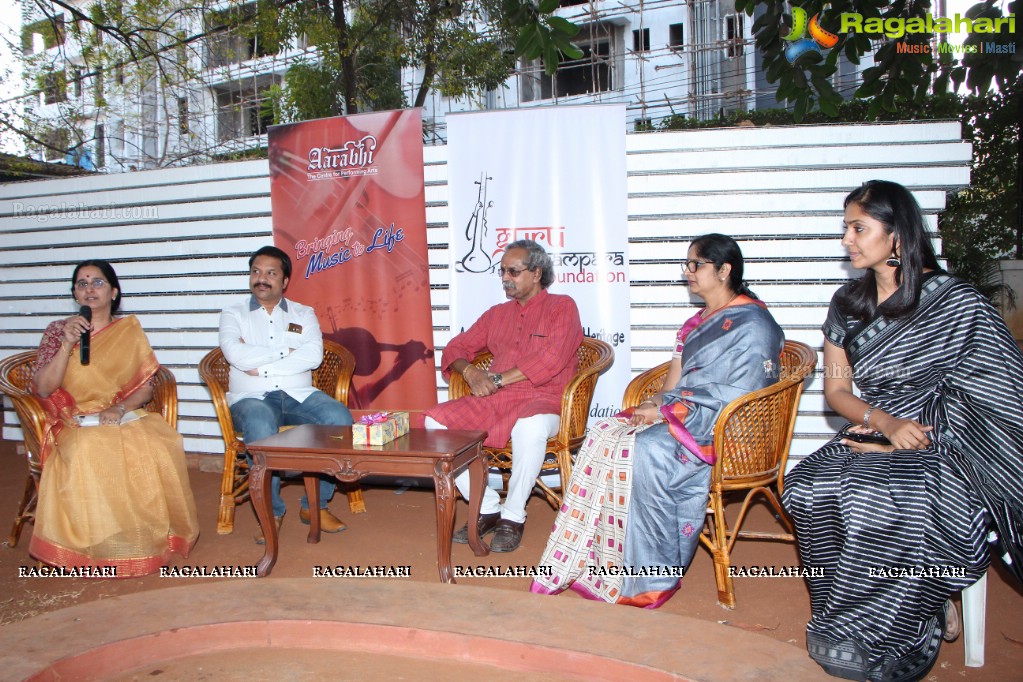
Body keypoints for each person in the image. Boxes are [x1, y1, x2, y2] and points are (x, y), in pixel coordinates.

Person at [783, 180, 1023, 681]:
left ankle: (913, 617)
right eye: (846, 228)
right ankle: (844, 625)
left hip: (946, 436)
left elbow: (999, 388)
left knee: (887, 494)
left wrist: (917, 432)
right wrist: (882, 423)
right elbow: (837, 392)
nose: (847, 239)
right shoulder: (846, 304)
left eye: (858, 228)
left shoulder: (955, 303)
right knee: (810, 487)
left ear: (896, 236)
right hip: (875, 423)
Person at [531, 233, 783, 607]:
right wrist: (655, 404)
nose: (688, 272)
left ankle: (651, 577)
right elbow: (674, 385)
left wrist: (667, 412)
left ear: (724, 270)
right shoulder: (694, 324)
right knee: (606, 434)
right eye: (687, 264)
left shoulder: (752, 324)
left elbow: (743, 393)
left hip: (726, 429)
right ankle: (598, 560)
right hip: (686, 416)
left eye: (696, 264)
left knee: (645, 450)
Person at [29, 260, 199, 576]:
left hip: (118, 413)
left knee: (154, 442)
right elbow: (43, 388)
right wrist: (67, 343)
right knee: (89, 448)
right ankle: (93, 540)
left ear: (113, 291)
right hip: (73, 419)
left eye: (97, 282)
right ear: (74, 293)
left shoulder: (128, 331)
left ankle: (141, 533)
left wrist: (118, 410)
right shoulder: (57, 331)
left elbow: (145, 390)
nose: (89, 289)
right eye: (82, 283)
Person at [424, 239, 583, 553]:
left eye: (514, 271)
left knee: (531, 426)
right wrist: (470, 373)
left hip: (546, 398)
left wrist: (496, 378)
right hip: (496, 399)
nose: (505, 278)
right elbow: (456, 348)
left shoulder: (562, 307)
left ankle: (513, 515)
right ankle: (486, 507)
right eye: (502, 272)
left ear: (537, 273)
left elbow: (551, 359)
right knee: (433, 423)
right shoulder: (497, 314)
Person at [220, 245, 354, 544]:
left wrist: (263, 366)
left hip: (298, 393)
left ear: (285, 281)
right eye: (256, 272)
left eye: (270, 273)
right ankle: (272, 511)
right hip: (251, 398)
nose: (261, 279)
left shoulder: (302, 313)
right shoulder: (233, 313)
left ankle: (314, 506)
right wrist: (285, 352)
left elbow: (313, 356)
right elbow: (234, 353)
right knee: (260, 427)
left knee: (338, 417)